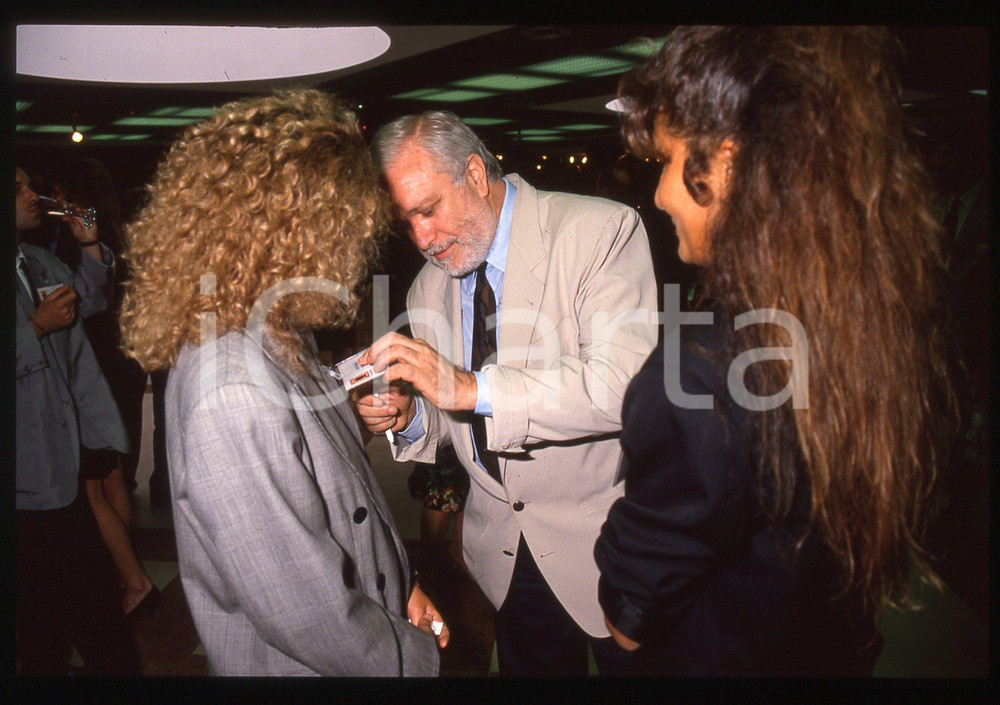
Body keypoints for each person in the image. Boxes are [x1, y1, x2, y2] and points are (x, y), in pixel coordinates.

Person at [593, 26, 956, 676]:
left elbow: (628, 618)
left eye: (670, 161)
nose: (660, 194)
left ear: (727, 163)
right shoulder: (870, 316)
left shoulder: (696, 373)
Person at [118, 89, 444, 676]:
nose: (356, 249)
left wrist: (400, 588)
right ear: (294, 232)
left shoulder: (259, 325)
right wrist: (412, 659)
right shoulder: (232, 389)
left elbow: (323, 478)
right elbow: (309, 616)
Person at [355, 111, 658, 676]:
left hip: (609, 544)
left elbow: (624, 385)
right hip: (503, 553)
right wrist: (411, 415)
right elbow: (459, 415)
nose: (421, 239)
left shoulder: (598, 231)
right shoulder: (429, 286)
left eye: (429, 210)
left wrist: (467, 386)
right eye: (406, 221)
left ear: (474, 173)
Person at [15, 167, 142, 675]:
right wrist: (34, 329)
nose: (33, 195)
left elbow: (89, 300)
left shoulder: (37, 259)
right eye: (18, 187)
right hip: (25, 479)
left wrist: (89, 247)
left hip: (59, 463)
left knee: (89, 616)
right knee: (45, 623)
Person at [47, 158, 159, 616]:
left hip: (99, 363)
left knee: (99, 478)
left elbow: (89, 302)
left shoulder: (84, 238)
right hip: (121, 360)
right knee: (114, 474)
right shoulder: (112, 231)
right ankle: (121, 568)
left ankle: (126, 574)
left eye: (58, 192)